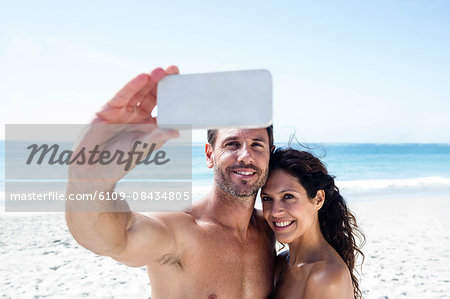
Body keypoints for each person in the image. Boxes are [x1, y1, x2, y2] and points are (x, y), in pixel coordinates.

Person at [65, 66, 276, 298]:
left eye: (257, 145)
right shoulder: (182, 232)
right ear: (209, 155)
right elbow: (115, 238)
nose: (246, 156)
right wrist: (88, 181)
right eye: (232, 144)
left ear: (270, 155)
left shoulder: (271, 229)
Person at [260, 148, 364, 299]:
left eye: (288, 196)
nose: (275, 212)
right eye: (267, 198)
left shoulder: (326, 278)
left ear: (318, 199)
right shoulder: (281, 263)